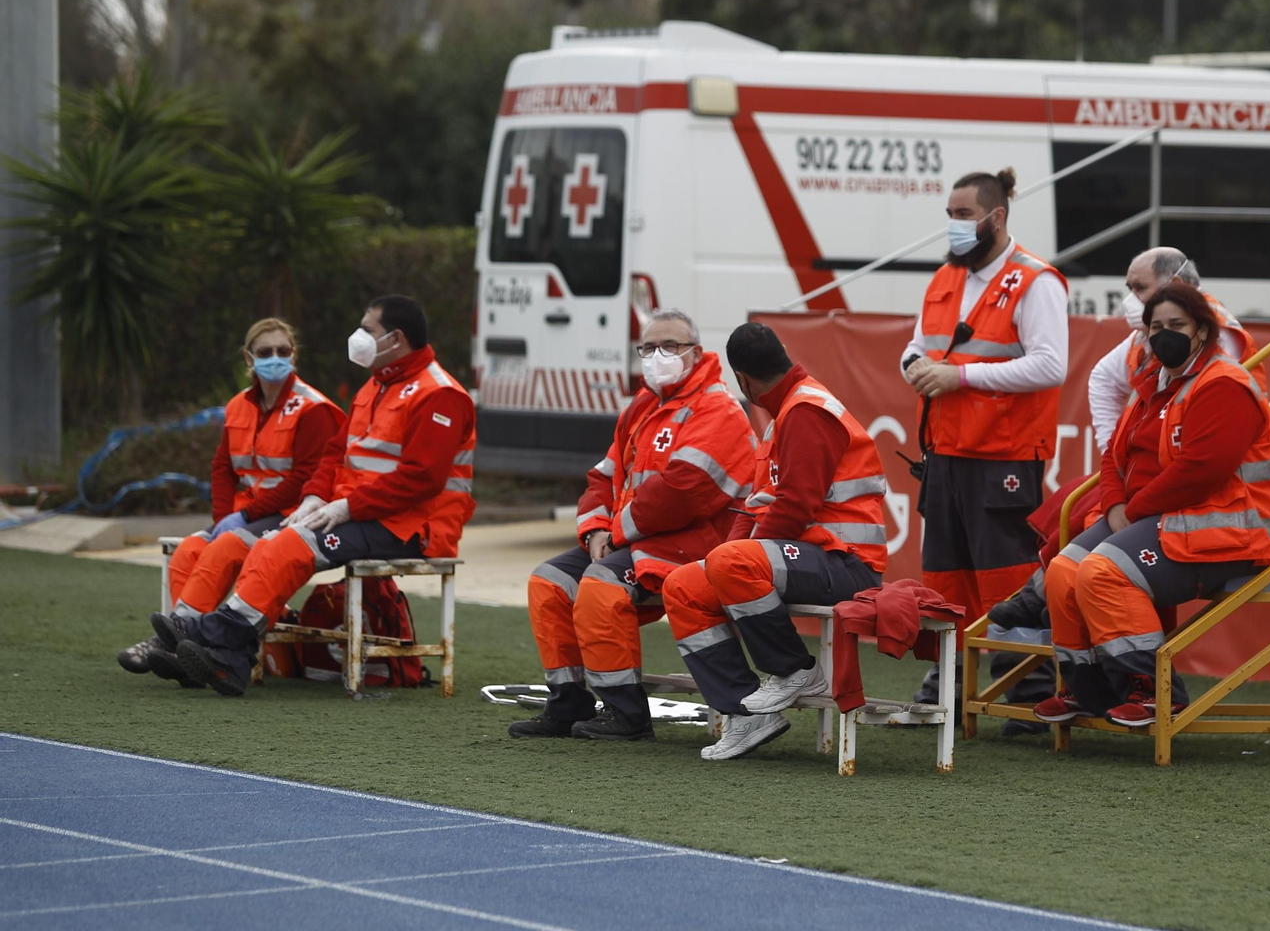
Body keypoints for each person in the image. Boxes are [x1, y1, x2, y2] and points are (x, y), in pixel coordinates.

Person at [148, 294, 477, 696]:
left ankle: (212, 635)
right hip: (367, 515)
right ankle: (227, 660)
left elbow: (422, 479)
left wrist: (347, 506)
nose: (358, 336)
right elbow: (335, 453)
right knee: (273, 543)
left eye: (367, 329)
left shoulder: (439, 394)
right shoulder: (377, 385)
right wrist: (315, 498)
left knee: (289, 545)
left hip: (415, 527)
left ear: (396, 338)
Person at [1039, 281, 1270, 728]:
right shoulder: (1150, 383)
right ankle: (1086, 688)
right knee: (1062, 570)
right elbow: (1114, 456)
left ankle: (1154, 692)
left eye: (1177, 325)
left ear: (1203, 331)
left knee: (1102, 572)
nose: (1164, 334)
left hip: (1230, 531)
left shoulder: (1225, 383)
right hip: (1163, 518)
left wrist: (1129, 513)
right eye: (1156, 326)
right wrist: (1115, 505)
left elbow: (1201, 471)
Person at [512, 309, 756, 742]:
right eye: (648, 347)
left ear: (696, 353)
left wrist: (617, 533)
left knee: (601, 584)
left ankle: (627, 714)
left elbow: (686, 492)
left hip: (696, 544)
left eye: (671, 347)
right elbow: (603, 477)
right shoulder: (642, 407)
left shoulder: (718, 409)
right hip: (638, 540)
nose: (657, 356)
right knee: (548, 581)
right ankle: (568, 701)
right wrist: (593, 531)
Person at [662, 322, 887, 761]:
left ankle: (796, 670)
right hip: (807, 556)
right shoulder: (787, 414)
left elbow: (795, 507)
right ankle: (744, 716)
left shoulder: (805, 410)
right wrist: (717, 561)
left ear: (742, 380)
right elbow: (757, 508)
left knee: (729, 564)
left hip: (847, 564)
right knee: (683, 586)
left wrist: (732, 559)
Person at [899, 167, 1068, 724]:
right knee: (946, 574)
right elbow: (917, 347)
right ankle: (947, 677)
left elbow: (1050, 365)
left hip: (1004, 455)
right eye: (949, 215)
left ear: (996, 217)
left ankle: (1024, 688)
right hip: (946, 452)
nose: (952, 226)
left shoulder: (1036, 281)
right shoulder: (946, 278)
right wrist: (916, 366)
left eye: (963, 215)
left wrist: (959, 377)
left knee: (1008, 576)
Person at [116, 318, 344, 687]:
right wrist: (224, 516)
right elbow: (222, 467)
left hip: (292, 515)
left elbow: (306, 478)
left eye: (283, 351)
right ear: (248, 357)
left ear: (294, 355)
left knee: (224, 546)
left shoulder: (312, 408)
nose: (275, 358)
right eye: (265, 352)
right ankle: (191, 654)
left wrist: (242, 516)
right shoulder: (239, 406)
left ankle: (174, 643)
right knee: (190, 549)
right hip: (246, 512)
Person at [1087, 249, 1263, 456]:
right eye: (1130, 288)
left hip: (1226, 470)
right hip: (1167, 459)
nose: (1131, 300)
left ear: (1176, 284)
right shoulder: (1144, 333)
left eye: (1140, 288)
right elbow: (1103, 378)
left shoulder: (1217, 329)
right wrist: (1112, 449)